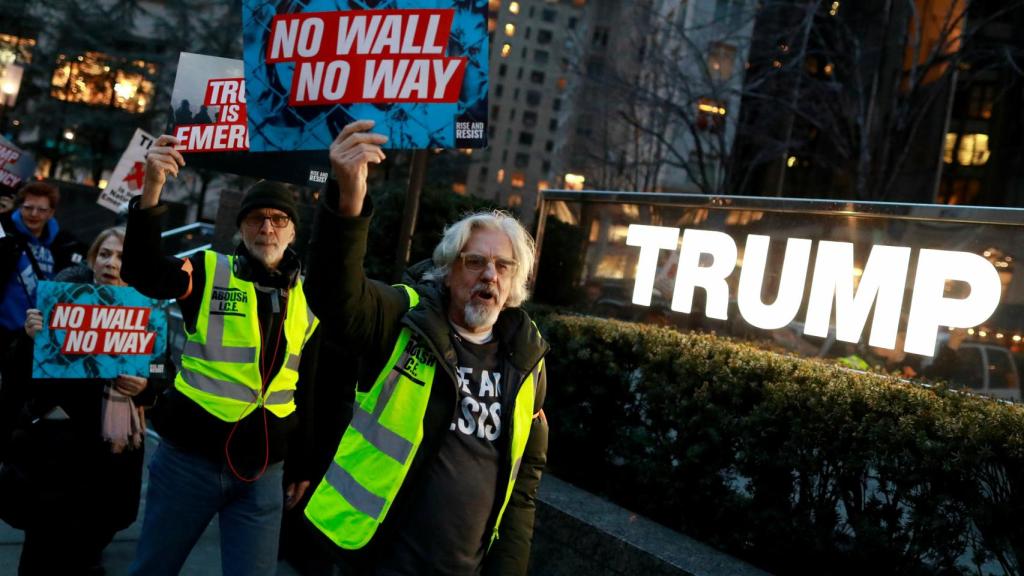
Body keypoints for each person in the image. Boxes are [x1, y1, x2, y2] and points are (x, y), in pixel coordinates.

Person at [302, 120, 549, 575]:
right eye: (474, 262)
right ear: (448, 271)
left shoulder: (527, 357)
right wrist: (348, 197)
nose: (489, 276)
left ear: (514, 282)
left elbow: (523, 482)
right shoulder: (405, 315)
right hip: (378, 560)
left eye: (502, 266)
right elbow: (336, 298)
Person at [122, 135, 320, 576]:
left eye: (277, 219)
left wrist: (303, 462)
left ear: (292, 229)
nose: (266, 228)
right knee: (153, 568)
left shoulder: (309, 296)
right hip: (189, 463)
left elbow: (307, 386)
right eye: (255, 219)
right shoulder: (209, 270)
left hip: (265, 472)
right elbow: (141, 269)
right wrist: (152, 186)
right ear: (240, 227)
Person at [2, 226, 170, 575]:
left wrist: (144, 387)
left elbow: (161, 377)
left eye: (122, 256)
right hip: (53, 463)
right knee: (40, 559)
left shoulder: (149, 317)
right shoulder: (58, 308)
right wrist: (31, 339)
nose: (111, 262)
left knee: (88, 554)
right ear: (92, 260)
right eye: (104, 254)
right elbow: (18, 383)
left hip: (110, 463)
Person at [0, 182, 85, 376]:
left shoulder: (64, 244)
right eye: (28, 208)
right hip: (5, 330)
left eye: (41, 209)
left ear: (51, 213)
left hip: (38, 337)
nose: (34, 214)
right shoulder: (5, 234)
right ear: (19, 207)